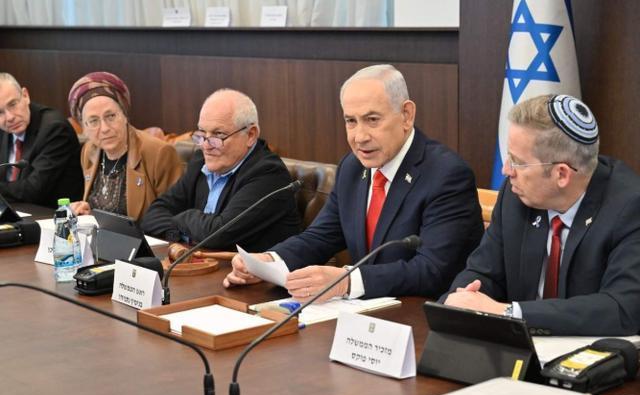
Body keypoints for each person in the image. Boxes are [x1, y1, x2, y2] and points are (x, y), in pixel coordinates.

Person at [224, 64, 484, 302]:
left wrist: (346, 281)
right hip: (366, 317)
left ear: (406, 115)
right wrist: (268, 262)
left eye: (372, 120)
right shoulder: (352, 167)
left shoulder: (446, 174)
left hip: (422, 315)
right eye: (351, 121)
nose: (359, 137)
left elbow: (433, 270)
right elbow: (321, 236)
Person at [443, 94, 640, 336]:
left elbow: (622, 308)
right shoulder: (516, 195)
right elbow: (484, 272)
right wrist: (460, 301)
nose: (506, 170)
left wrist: (510, 313)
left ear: (561, 174)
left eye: (518, 162)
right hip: (518, 348)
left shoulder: (630, 208)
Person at [141, 88, 301, 251]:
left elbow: (218, 235)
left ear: (251, 135)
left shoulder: (268, 174)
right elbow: (152, 216)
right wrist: (181, 231)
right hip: (201, 264)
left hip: (247, 268)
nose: (206, 145)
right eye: (202, 134)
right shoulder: (200, 161)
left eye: (218, 135)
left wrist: (183, 217)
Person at [67, 71, 182, 221]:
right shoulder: (89, 151)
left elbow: (172, 218)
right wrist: (88, 214)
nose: (105, 128)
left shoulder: (159, 153)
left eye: (111, 116)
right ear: (84, 126)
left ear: (124, 115)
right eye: (93, 121)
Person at [0, 72, 83, 207]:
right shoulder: (4, 129)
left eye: (13, 104)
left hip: (51, 214)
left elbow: (34, 190)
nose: (9, 117)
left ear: (25, 95)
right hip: (14, 210)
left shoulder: (54, 129)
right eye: (0, 112)